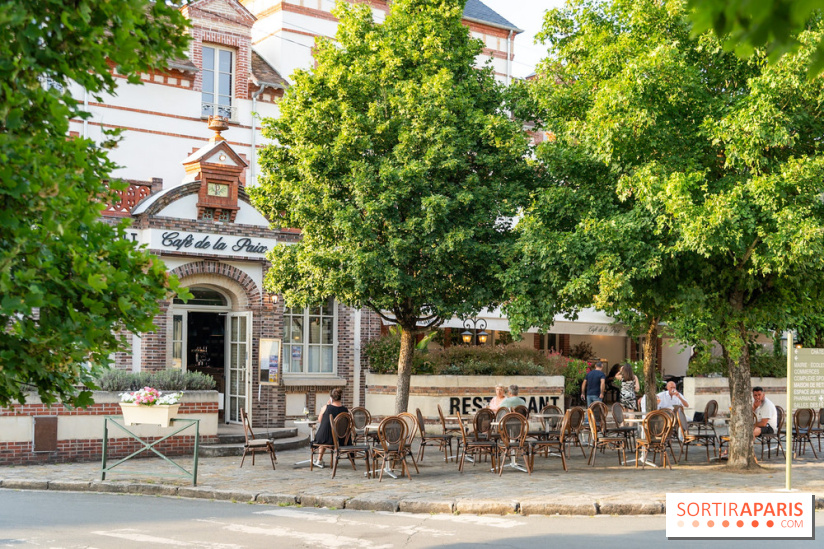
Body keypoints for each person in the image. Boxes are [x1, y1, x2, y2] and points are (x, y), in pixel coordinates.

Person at [313, 387, 348, 463]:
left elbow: (320, 420)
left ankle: (319, 459)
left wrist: (327, 405)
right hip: (340, 439)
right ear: (340, 397)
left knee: (325, 433)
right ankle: (335, 459)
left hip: (325, 438)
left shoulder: (326, 407)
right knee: (329, 433)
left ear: (331, 398)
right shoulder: (345, 410)